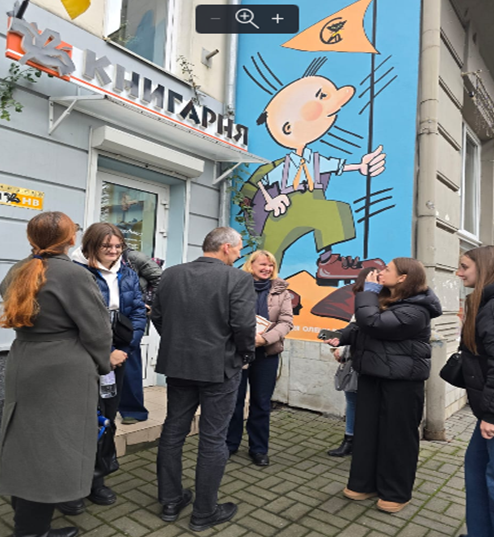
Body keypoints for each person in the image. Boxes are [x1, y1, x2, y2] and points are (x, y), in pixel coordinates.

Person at [0, 212, 112, 537]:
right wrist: (103, 366)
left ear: (31, 238)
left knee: (25, 445)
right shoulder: (74, 275)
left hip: (23, 361)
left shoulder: (17, 270)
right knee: (52, 451)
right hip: (63, 370)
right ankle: (32, 531)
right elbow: (98, 332)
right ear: (71, 239)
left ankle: (27, 524)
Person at [151, 227, 256, 532]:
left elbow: (157, 316)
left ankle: (170, 501)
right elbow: (243, 325)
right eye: (238, 248)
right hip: (219, 368)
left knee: (173, 431)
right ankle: (204, 512)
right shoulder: (237, 278)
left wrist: (179, 343)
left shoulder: (171, 274)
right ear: (225, 247)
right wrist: (245, 354)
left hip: (179, 365)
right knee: (213, 438)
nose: (239, 254)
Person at [329, 258, 442, 513]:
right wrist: (341, 336)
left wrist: (368, 294)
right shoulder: (386, 299)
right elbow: (361, 327)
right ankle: (363, 484)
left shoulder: (417, 309)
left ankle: (395, 492)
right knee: (367, 432)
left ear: (403, 278)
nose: (381, 273)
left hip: (402, 382)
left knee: (398, 437)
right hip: (372, 375)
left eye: (387, 269)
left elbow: (375, 324)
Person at [62, 223, 147, 515]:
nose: (113, 251)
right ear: (91, 246)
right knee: (78, 421)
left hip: (116, 359)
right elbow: (72, 321)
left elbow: (138, 313)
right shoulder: (75, 272)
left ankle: (97, 479)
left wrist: (124, 350)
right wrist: (104, 353)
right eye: (106, 246)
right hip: (82, 358)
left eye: (118, 246)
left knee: (106, 418)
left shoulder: (128, 273)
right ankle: (70, 487)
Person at [226, 250, 293, 466]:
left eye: (271, 265)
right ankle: (230, 444)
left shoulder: (281, 291)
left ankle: (258, 448)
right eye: (263, 264)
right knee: (234, 401)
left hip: (266, 353)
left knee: (262, 403)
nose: (267, 269)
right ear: (251, 265)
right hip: (238, 352)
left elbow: (286, 322)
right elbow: (226, 315)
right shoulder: (237, 285)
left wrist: (264, 339)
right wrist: (243, 338)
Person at [456, 245, 494, 537]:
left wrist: (491, 415)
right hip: (485, 411)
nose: (458, 273)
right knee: (477, 468)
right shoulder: (483, 303)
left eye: (464, 266)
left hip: (491, 414)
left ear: (485, 268)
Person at [327, 267, 375, 457]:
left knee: (365, 404)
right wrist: (340, 348)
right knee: (352, 400)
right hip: (353, 359)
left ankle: (361, 442)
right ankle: (350, 440)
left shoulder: (379, 303)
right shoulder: (363, 303)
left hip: (369, 361)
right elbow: (353, 329)